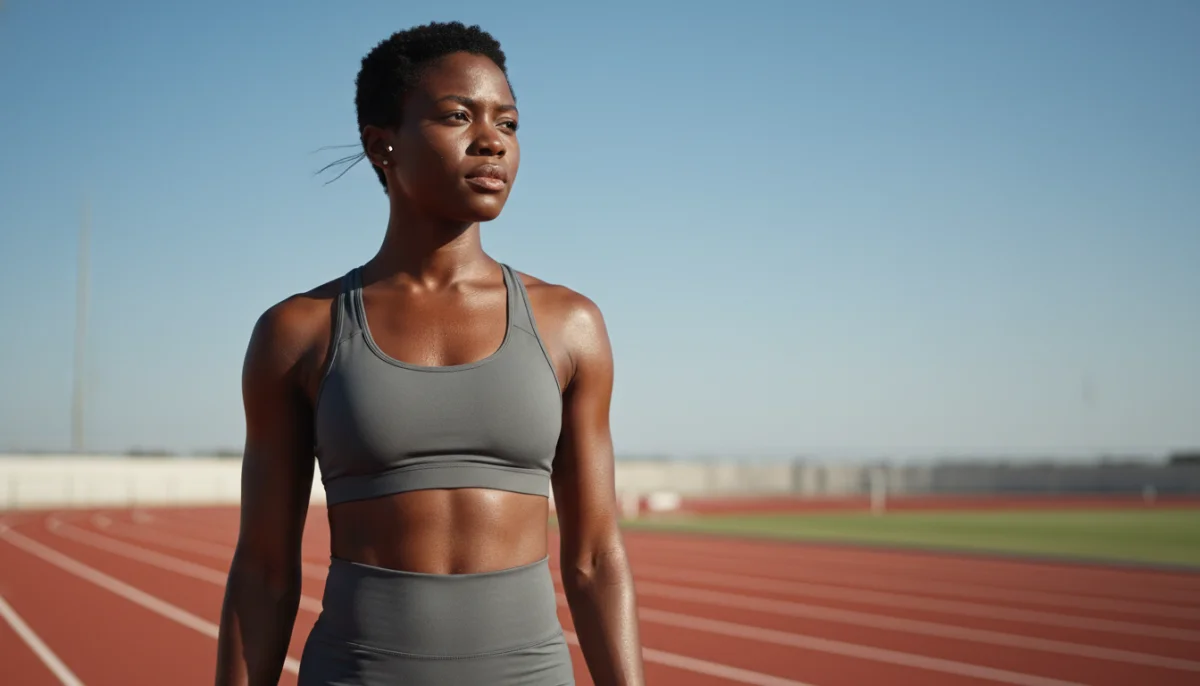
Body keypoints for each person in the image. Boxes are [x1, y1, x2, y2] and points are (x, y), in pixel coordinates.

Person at [214, 20, 645, 686]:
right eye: (457, 116)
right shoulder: (298, 333)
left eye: (509, 123)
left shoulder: (570, 325)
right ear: (381, 143)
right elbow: (265, 570)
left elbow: (595, 559)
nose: (492, 142)